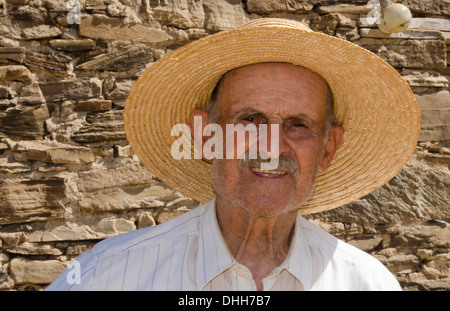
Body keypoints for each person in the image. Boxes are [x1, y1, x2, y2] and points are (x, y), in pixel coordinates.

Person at [46, 18, 420, 291]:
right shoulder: (107, 276)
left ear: (328, 149)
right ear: (206, 135)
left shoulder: (367, 284)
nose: (272, 147)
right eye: (251, 120)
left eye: (298, 125)